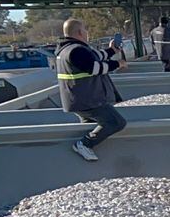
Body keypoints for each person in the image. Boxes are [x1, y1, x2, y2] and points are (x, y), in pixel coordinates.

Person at [55, 19, 128, 161]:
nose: (87, 32)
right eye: (85, 29)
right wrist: (118, 64)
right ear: (80, 32)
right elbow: (94, 67)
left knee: (89, 125)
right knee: (116, 122)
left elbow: (95, 57)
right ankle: (84, 144)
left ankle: (83, 158)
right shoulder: (76, 50)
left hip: (76, 100)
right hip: (88, 100)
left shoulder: (66, 49)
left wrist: (112, 50)